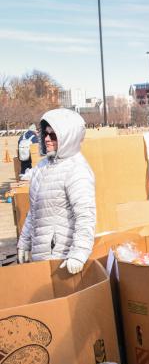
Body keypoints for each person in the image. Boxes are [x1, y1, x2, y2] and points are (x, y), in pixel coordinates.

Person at [16, 109, 96, 275]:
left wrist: (79, 253)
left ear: (68, 137)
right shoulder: (42, 166)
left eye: (53, 135)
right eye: (46, 134)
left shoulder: (77, 170)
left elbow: (85, 216)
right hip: (42, 257)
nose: (47, 139)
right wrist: (24, 241)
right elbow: (35, 210)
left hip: (63, 260)